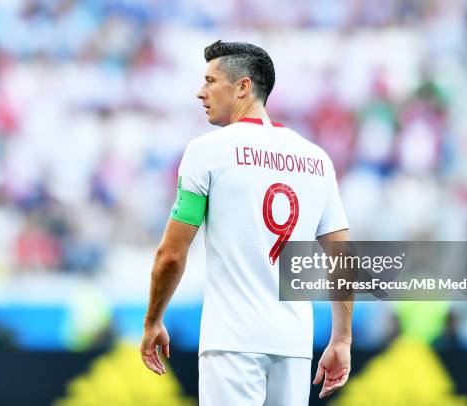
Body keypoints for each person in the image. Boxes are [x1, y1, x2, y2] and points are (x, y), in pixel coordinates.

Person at [141, 40, 353, 405]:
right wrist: (341, 340)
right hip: (294, 344)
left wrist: (152, 322)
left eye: (210, 81)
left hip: (232, 341)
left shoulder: (207, 152)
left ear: (243, 87)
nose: (200, 92)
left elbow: (172, 255)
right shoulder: (317, 160)